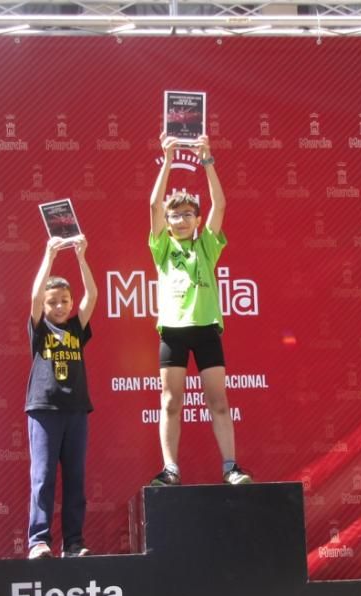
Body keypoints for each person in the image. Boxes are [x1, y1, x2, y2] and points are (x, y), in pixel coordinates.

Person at [148, 134, 252, 487]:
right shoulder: (161, 247)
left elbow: (220, 205)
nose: (180, 220)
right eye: (174, 215)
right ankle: (171, 468)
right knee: (171, 402)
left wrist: (207, 160)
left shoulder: (207, 245)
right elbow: (152, 206)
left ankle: (230, 467)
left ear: (196, 219)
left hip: (207, 328)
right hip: (173, 332)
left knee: (218, 401)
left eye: (187, 214)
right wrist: (167, 159)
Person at [25, 235, 97, 559]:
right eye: (53, 301)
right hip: (44, 409)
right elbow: (35, 295)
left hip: (76, 411)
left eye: (64, 301)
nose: (59, 306)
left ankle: (74, 543)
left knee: (75, 478)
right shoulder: (40, 328)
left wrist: (82, 257)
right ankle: (38, 541)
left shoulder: (76, 329)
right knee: (42, 477)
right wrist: (49, 255)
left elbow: (92, 295)